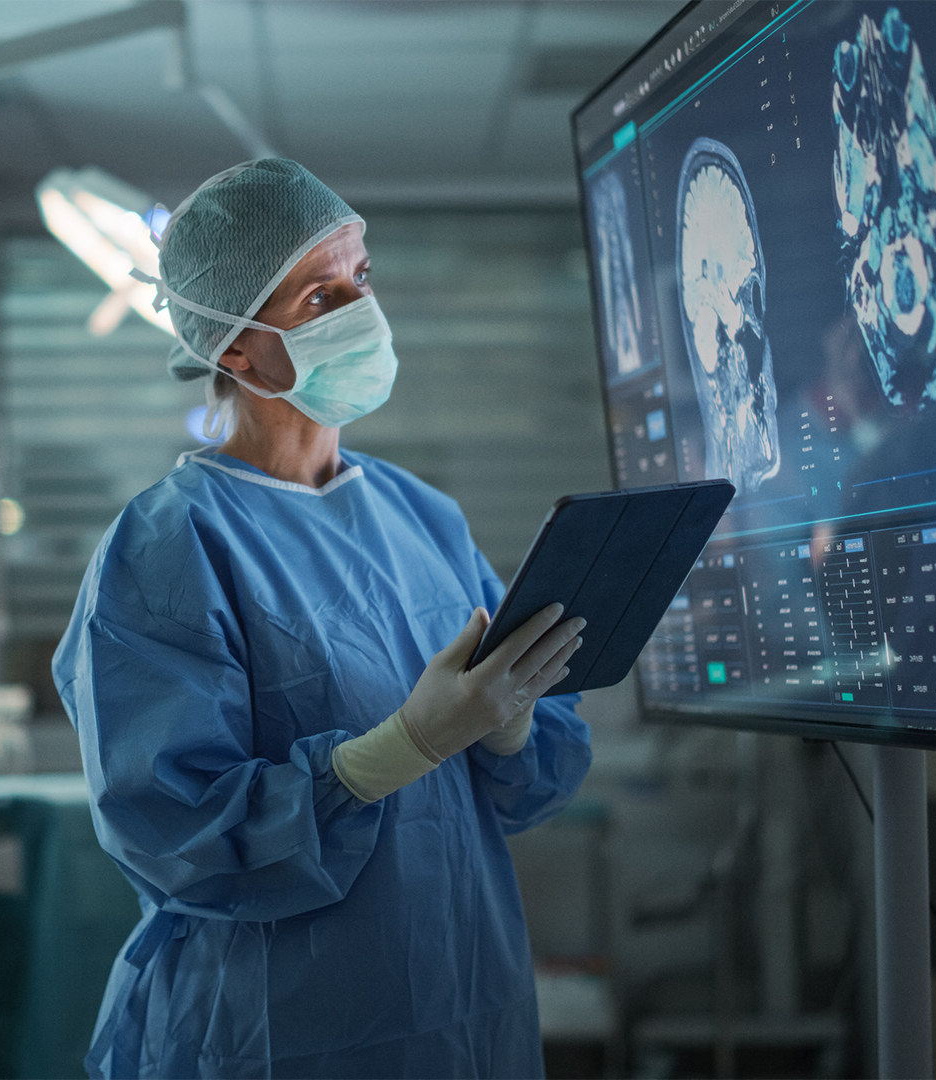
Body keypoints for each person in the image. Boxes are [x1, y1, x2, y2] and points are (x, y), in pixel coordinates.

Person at [52, 158, 594, 1079]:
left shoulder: (423, 515)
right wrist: (403, 746)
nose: (359, 310)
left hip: (466, 1010)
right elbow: (178, 836)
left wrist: (505, 729)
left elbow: (526, 785)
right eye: (318, 295)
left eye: (362, 278)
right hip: (279, 1030)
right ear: (234, 348)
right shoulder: (169, 548)